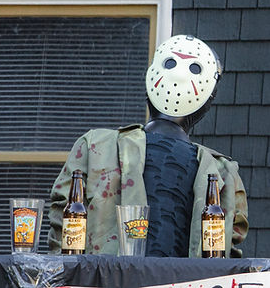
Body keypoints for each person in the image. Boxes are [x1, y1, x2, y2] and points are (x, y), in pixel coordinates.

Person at [48, 35, 248, 257]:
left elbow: (61, 243)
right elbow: (228, 262)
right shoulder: (223, 174)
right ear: (207, 100)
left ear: (151, 82)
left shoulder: (95, 147)